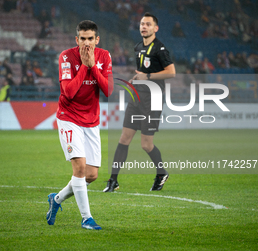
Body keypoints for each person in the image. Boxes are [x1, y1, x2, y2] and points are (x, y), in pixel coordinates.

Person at [46, 20, 113, 230]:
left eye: (90, 39)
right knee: (80, 168)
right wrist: (84, 66)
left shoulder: (104, 56)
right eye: (82, 39)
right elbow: (69, 92)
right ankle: (86, 218)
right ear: (77, 39)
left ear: (97, 39)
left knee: (92, 175)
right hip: (69, 117)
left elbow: (109, 91)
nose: (86, 43)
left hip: (91, 120)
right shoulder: (66, 56)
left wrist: (93, 66)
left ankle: (56, 200)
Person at [103, 12, 176, 192]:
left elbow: (172, 72)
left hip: (153, 99)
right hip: (137, 97)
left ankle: (161, 173)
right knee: (124, 139)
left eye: (148, 24)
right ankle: (113, 181)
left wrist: (148, 76)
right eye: (142, 24)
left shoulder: (160, 49)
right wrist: (138, 77)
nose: (144, 26)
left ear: (155, 28)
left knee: (146, 144)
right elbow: (143, 71)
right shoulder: (138, 47)